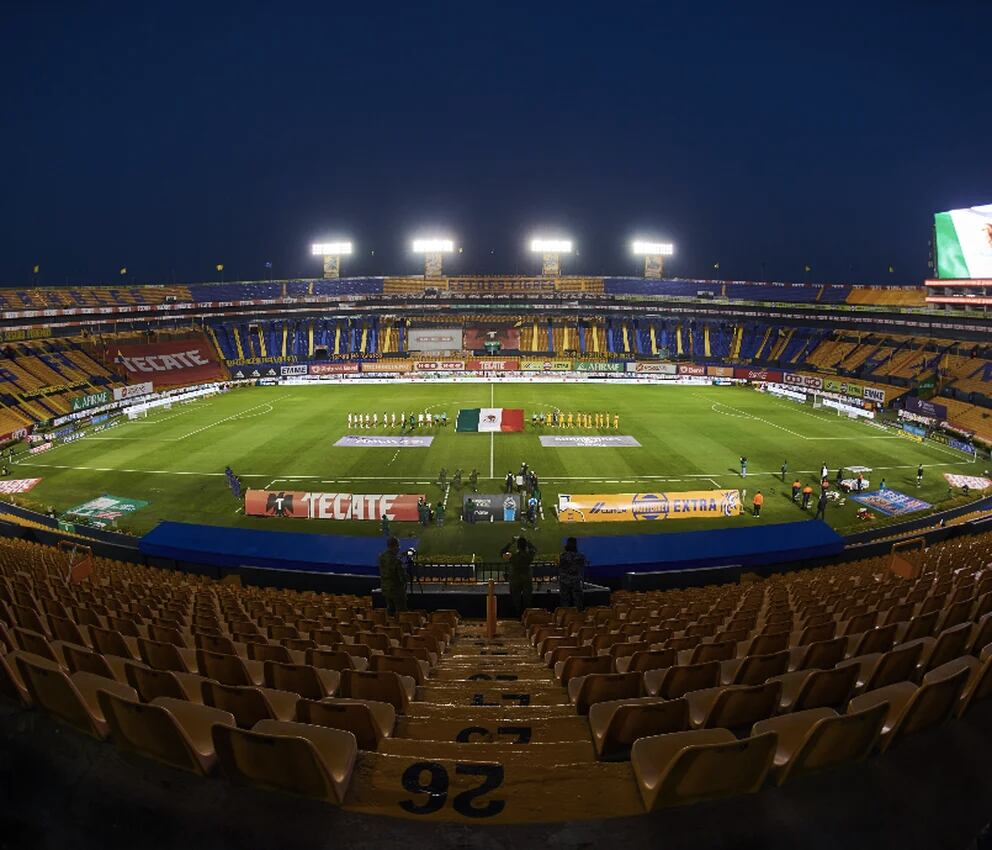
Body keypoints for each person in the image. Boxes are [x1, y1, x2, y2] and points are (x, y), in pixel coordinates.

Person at [501, 536, 536, 617]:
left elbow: (502, 552)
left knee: (516, 600)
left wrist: (510, 543)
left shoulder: (513, 556)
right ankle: (526, 617)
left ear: (518, 546)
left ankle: (518, 615)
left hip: (515, 579)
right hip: (526, 579)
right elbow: (534, 550)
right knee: (527, 600)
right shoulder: (528, 556)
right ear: (525, 546)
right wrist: (528, 543)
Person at [378, 536, 407, 615]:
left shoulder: (381, 557)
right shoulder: (397, 561)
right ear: (395, 546)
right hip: (396, 591)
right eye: (398, 546)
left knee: (390, 610)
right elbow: (403, 578)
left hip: (386, 589)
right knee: (401, 612)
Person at [558, 537, 587, 609]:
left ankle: (566, 614)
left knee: (565, 601)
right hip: (575, 580)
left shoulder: (563, 556)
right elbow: (581, 567)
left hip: (564, 581)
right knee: (578, 601)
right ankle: (578, 615)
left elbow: (561, 567)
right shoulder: (580, 556)